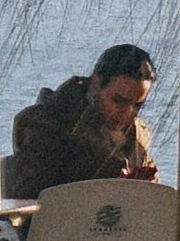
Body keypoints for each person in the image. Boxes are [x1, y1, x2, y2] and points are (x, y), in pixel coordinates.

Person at [15, 46, 160, 192]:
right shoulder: (49, 124)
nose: (128, 113)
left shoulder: (139, 135)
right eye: (119, 101)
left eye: (138, 105)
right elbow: (30, 195)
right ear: (96, 84)